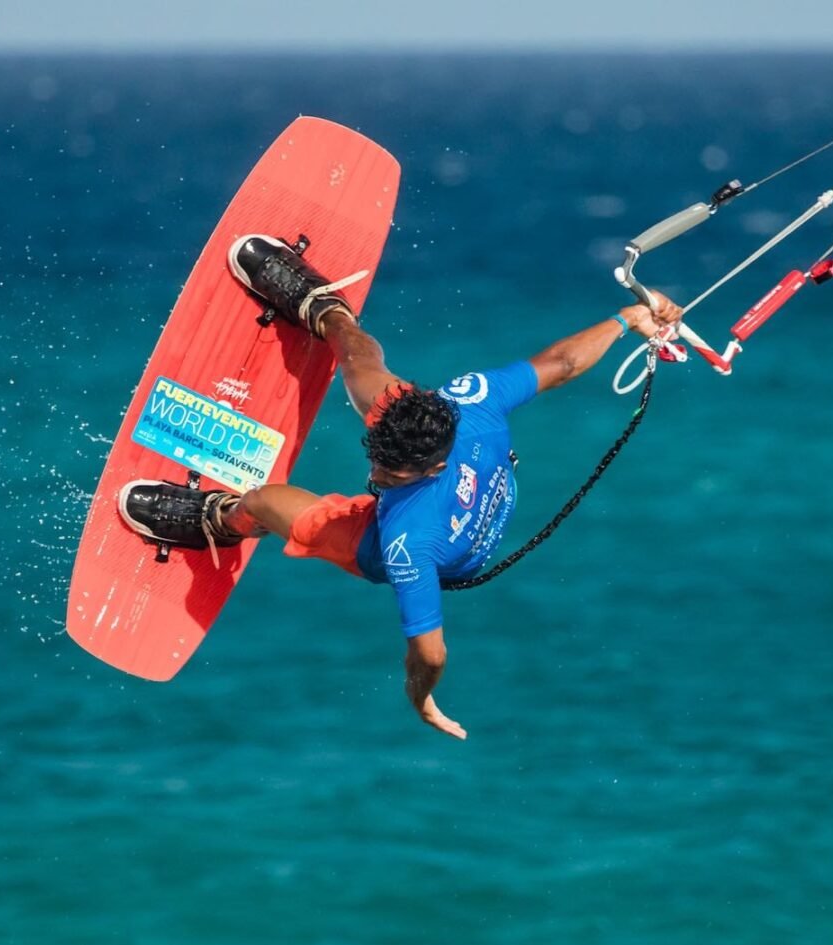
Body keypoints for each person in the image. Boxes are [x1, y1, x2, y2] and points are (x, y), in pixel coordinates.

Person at [120, 235, 683, 739]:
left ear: (430, 470)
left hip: (431, 540)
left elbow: (431, 649)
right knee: (360, 356)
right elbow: (560, 363)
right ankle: (324, 309)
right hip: (455, 476)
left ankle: (215, 520)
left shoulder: (406, 546)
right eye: (378, 462)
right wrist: (626, 319)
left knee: (264, 500)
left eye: (390, 474)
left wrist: (421, 697)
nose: (376, 476)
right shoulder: (469, 403)